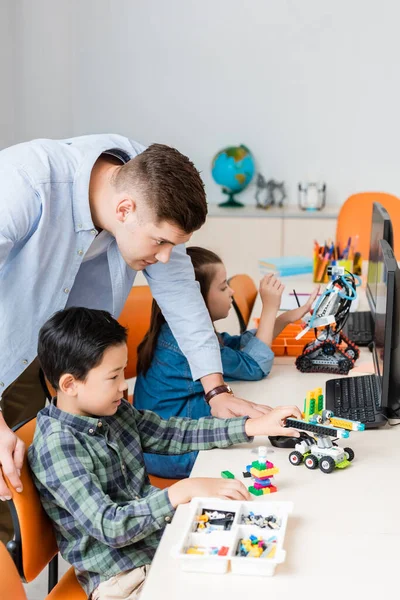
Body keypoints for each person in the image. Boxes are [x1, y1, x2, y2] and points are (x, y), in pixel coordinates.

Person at [0, 134, 268, 539]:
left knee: (31, 479)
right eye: (159, 242)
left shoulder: (149, 189)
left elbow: (182, 298)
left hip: (62, 356)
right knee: (8, 482)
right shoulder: (25, 183)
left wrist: (216, 391)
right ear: (124, 209)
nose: (163, 258)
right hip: (9, 347)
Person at [28, 307, 301, 599]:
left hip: (158, 542)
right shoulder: (57, 446)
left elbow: (173, 433)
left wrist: (253, 425)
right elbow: (111, 525)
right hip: (121, 576)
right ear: (70, 384)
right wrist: (180, 491)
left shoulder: (110, 409)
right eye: (114, 377)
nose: (124, 386)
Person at [135, 247, 318, 478]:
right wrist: (270, 308)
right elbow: (254, 366)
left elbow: (239, 346)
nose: (231, 291)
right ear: (196, 300)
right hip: (171, 453)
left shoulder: (178, 331)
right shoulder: (185, 344)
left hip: (168, 441)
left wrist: (284, 318)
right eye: (222, 287)